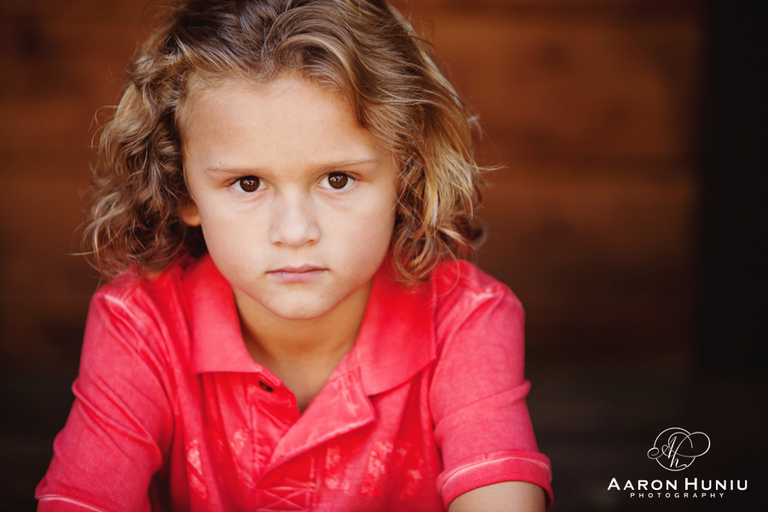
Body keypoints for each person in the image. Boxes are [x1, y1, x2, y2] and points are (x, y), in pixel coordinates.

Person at [36, 0, 552, 510]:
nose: (295, 231)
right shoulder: (140, 322)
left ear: (407, 173)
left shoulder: (464, 319)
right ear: (183, 189)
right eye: (247, 183)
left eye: (338, 179)